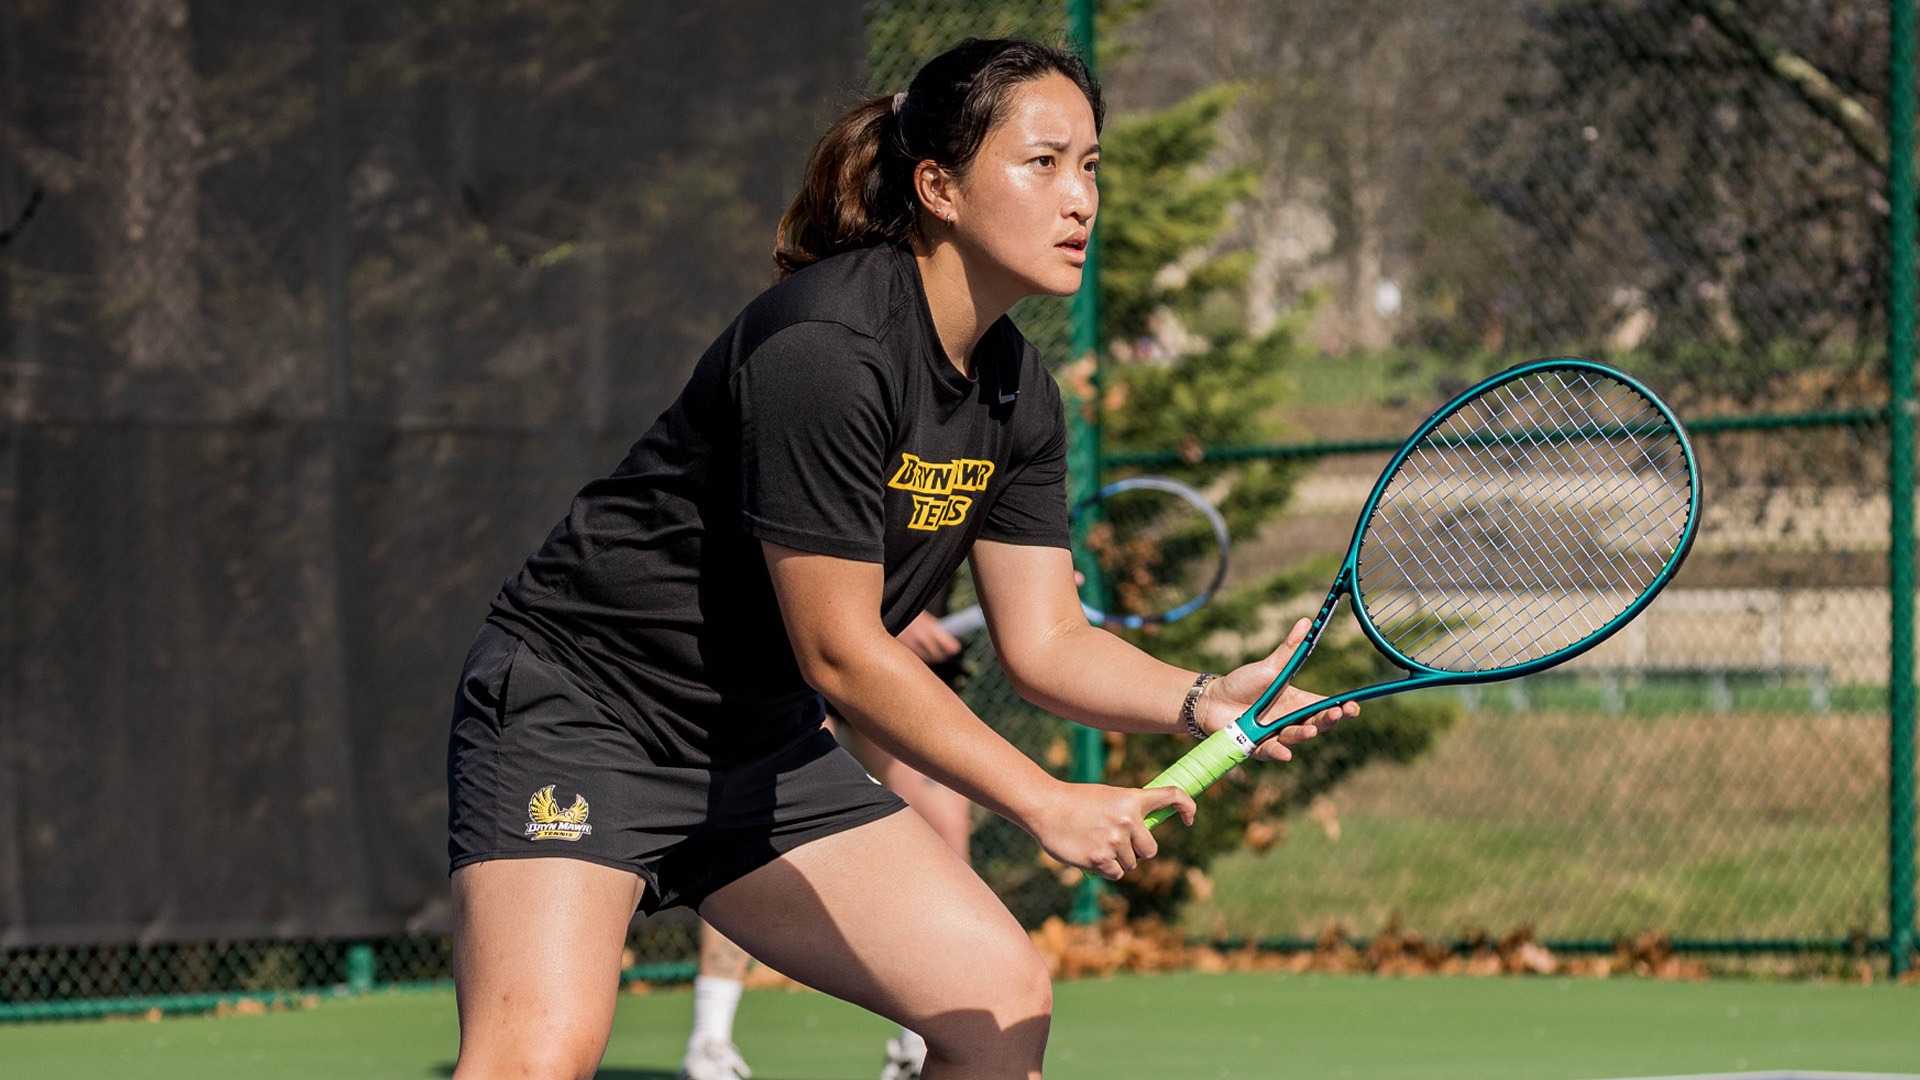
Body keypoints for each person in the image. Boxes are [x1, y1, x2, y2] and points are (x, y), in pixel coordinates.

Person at [446, 37, 1353, 1080]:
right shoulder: (828, 350)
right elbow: (841, 655)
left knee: (996, 1005)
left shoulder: (1021, 394)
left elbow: (1047, 641)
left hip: (755, 749)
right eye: (1043, 161)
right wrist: (1044, 800)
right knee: (535, 1056)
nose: (1080, 200)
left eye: (1092, 165)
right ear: (939, 188)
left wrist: (1202, 700)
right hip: (586, 711)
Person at [678, 608, 973, 1080]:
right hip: (810, 640)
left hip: (907, 661)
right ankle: (707, 1044)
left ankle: (918, 1046)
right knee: (755, 838)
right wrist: (894, 614)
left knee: (946, 830)